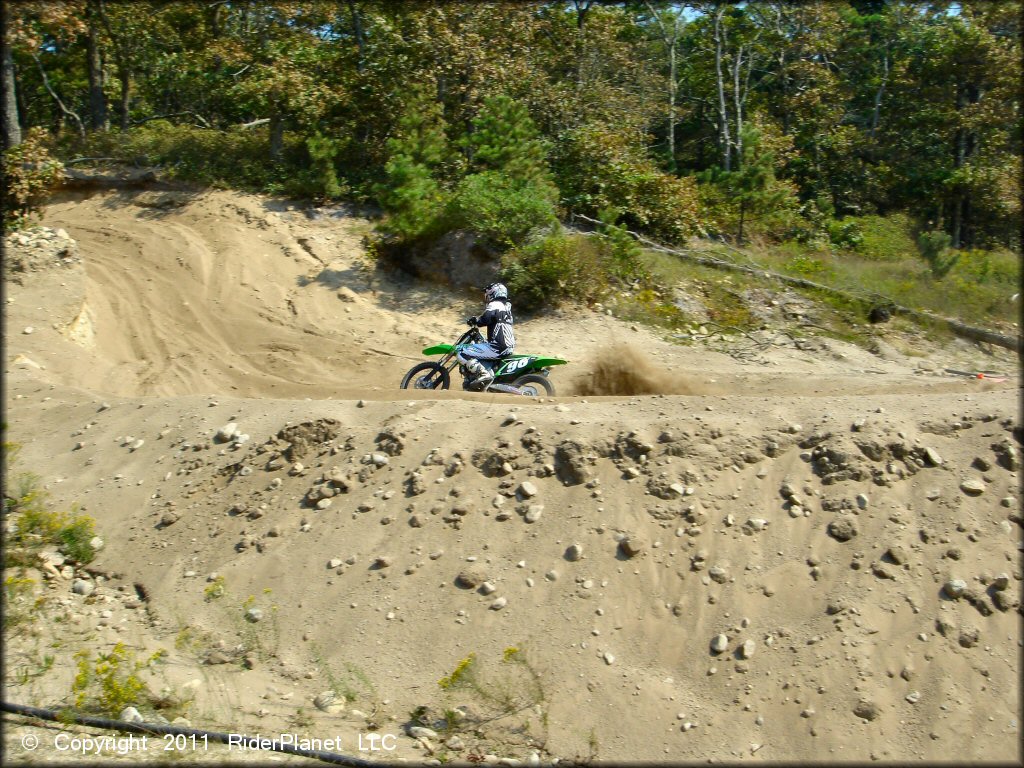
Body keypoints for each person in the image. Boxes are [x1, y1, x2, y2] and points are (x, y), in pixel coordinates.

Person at [458, 282, 515, 390]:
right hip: (507, 347)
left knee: (461, 351)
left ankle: (484, 374)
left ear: (494, 293)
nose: (486, 296)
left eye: (488, 293)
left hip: (497, 347)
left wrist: (476, 320)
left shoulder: (495, 304)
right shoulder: (506, 308)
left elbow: (486, 319)